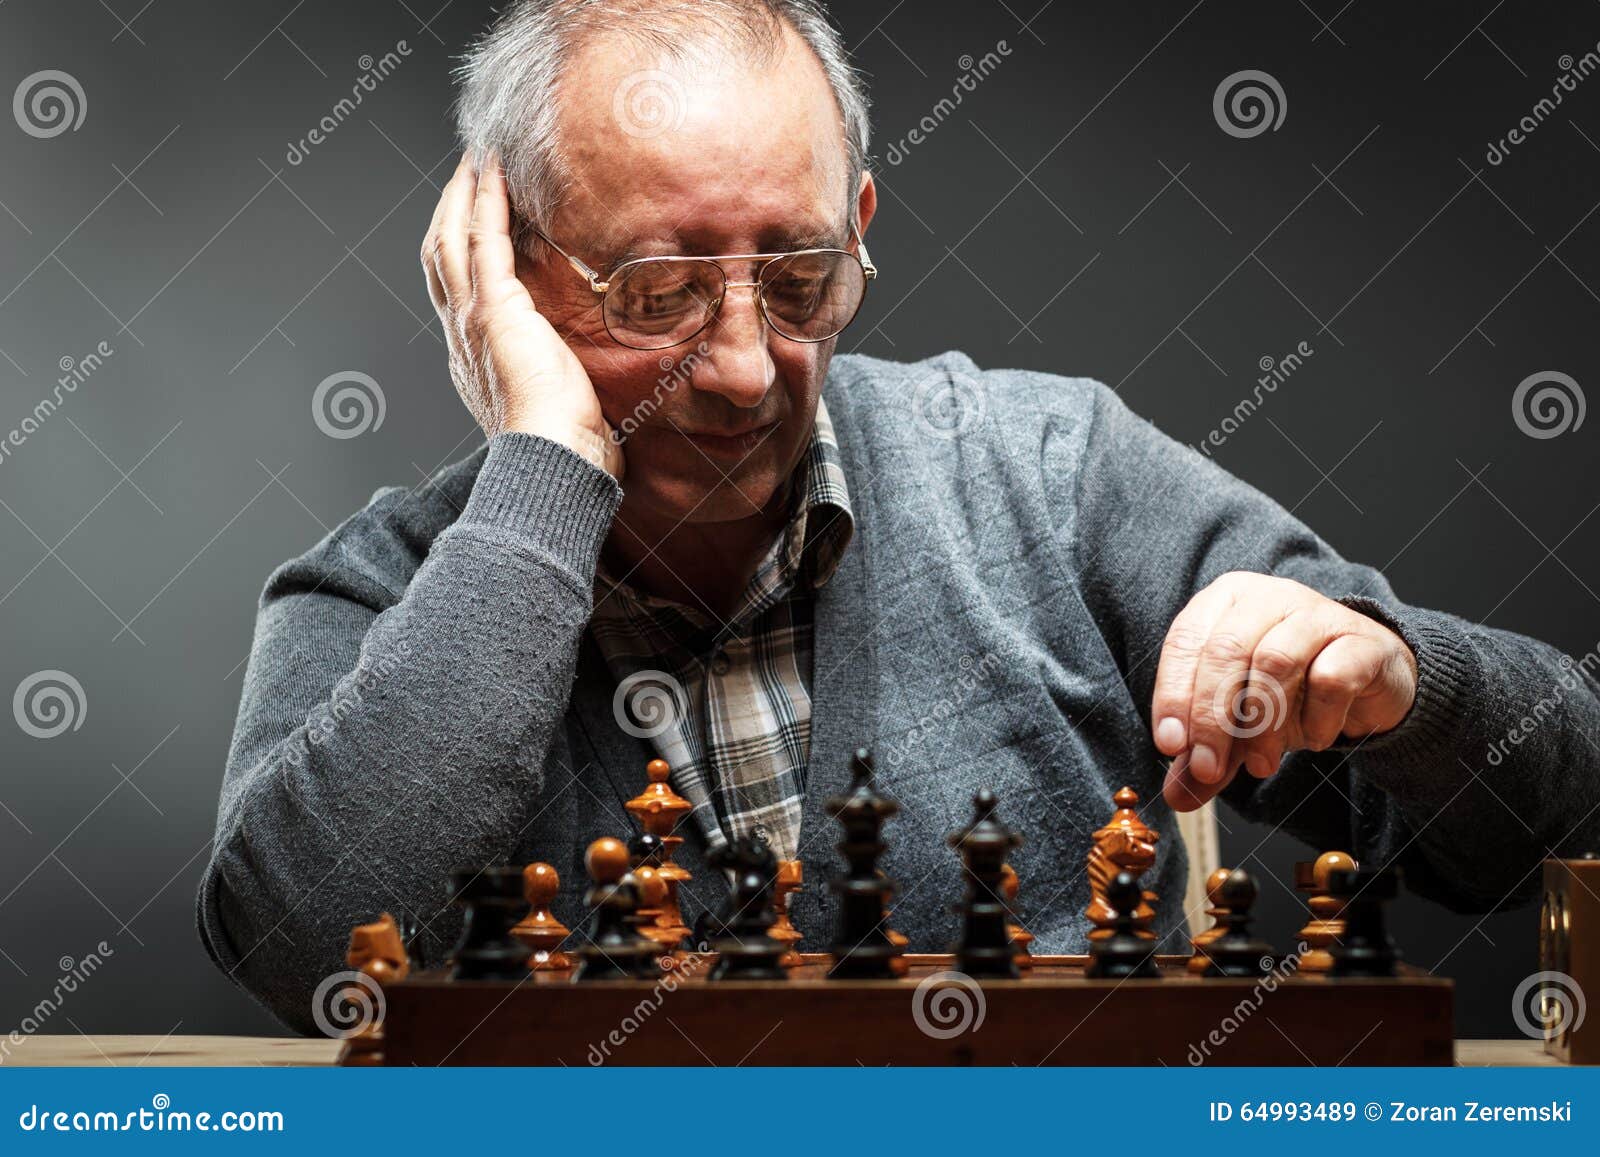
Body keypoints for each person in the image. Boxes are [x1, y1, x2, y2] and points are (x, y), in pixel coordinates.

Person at [198, 0, 1600, 1034]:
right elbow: (302, 941)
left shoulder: (1053, 476)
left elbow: (1552, 802)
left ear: (861, 223)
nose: (745, 366)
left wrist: (1400, 687)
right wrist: (549, 469)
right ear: (506, 273)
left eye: (799, 274)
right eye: (657, 291)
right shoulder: (373, 595)